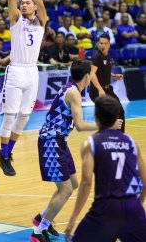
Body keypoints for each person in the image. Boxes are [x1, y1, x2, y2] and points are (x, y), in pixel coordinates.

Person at [30, 60, 109, 242]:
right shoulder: (73, 93)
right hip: (51, 141)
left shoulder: (71, 88)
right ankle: (37, 232)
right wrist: (104, 126)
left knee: (72, 184)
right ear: (87, 76)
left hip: (59, 141)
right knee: (65, 189)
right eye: (92, 74)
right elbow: (80, 126)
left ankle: (42, 218)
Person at [65, 95, 146, 242]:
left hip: (106, 207)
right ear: (117, 117)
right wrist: (138, 204)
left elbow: (86, 183)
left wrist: (73, 217)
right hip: (132, 205)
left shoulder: (91, 143)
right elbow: (145, 181)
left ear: (96, 118)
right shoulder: (131, 142)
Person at [0, 0, 47, 176]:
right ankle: (5, 156)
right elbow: (10, 1)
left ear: (34, 6)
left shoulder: (42, 21)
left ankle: (6, 151)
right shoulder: (16, 20)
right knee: (9, 115)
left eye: (27, 3)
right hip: (16, 70)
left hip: (32, 71)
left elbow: (42, 4)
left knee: (25, 115)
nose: (24, 5)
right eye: (22, 3)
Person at [90, 33, 125, 131]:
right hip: (97, 92)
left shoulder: (108, 56)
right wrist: (100, 90)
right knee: (108, 115)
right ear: (98, 44)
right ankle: (105, 137)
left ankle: (120, 134)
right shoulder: (97, 56)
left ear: (109, 44)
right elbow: (92, 74)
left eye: (105, 43)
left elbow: (104, 70)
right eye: (101, 43)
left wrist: (114, 75)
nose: (103, 45)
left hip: (108, 90)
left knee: (120, 111)